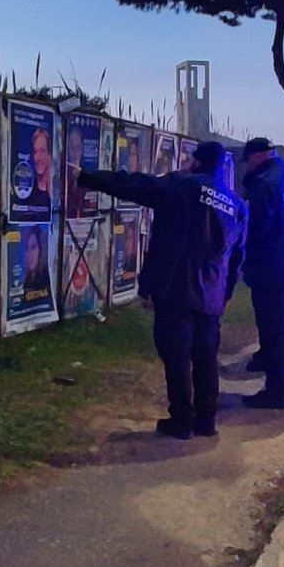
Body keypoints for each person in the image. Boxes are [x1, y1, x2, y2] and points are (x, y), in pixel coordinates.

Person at [71, 141, 246, 440]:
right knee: (205, 357)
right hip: (212, 294)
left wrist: (86, 177)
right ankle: (206, 421)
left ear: (196, 162)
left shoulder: (182, 186)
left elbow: (136, 186)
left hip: (176, 288)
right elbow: (238, 255)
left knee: (176, 356)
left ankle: (180, 421)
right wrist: (227, 293)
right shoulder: (236, 204)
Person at [238, 138, 284, 409]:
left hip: (272, 269)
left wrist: (244, 260)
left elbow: (257, 230)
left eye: (248, 161)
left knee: (273, 332)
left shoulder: (264, 185)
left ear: (257, 157)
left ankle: (275, 392)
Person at [21, 224, 52, 308]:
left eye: (33, 247)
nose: (29, 254)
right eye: (27, 248)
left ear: (41, 250)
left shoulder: (46, 280)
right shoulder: (26, 282)